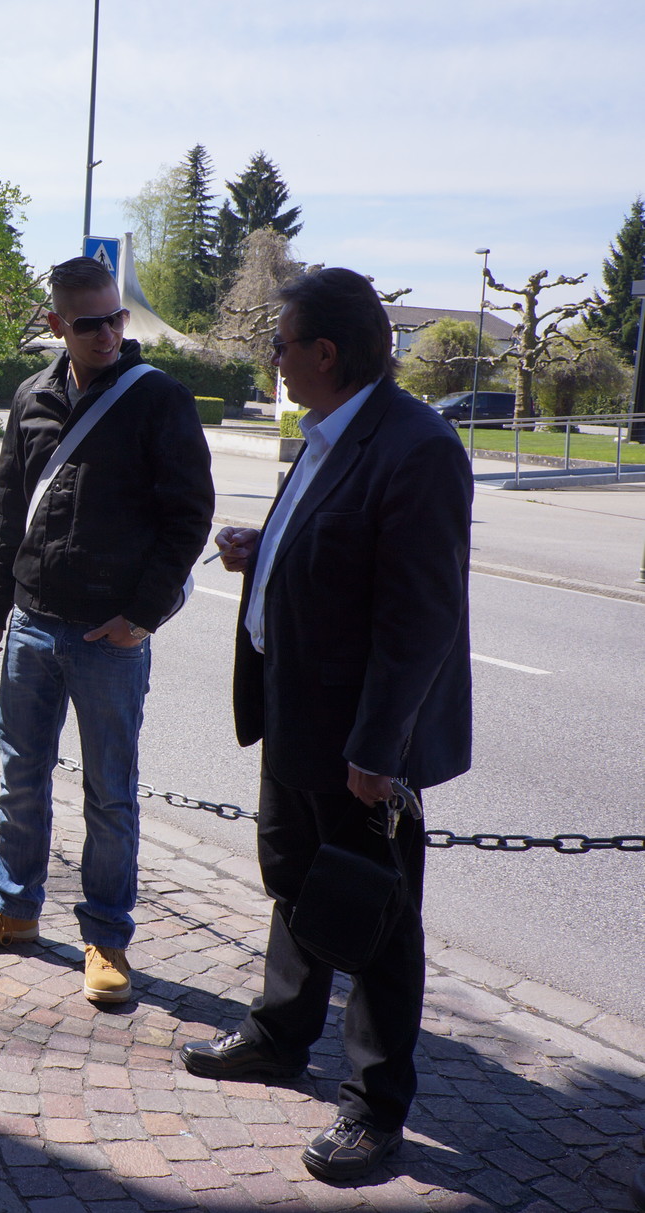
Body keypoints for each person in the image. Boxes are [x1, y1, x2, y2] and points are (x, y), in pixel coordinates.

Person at [180, 267, 472, 1183]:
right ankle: (278, 1033)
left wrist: (377, 752)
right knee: (298, 883)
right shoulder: (323, 432)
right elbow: (333, 547)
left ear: (325, 352)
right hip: (291, 707)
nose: (270, 357)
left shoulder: (416, 447)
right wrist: (260, 552)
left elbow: (418, 618)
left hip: (358, 740)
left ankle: (374, 1110)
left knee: (378, 919)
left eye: (279, 343)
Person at [0, 256, 214, 1006]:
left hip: (108, 637)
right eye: (88, 323)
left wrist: (142, 615)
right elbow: (7, 512)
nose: (107, 333)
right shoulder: (31, 397)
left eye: (115, 318)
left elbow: (189, 516)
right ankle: (15, 908)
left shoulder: (158, 400)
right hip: (30, 621)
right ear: (57, 325)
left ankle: (106, 936)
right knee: (18, 778)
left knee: (109, 794)